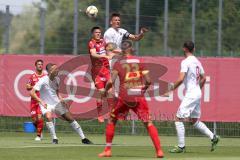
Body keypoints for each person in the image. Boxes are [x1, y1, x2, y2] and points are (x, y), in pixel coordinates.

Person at [98, 40, 164, 158]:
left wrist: (104, 91)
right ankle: (159, 151)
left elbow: (111, 81)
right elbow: (148, 80)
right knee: (148, 123)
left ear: (122, 50)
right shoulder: (140, 61)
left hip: (124, 96)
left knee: (112, 120)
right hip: (138, 96)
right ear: (131, 48)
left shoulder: (118, 63)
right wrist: (143, 89)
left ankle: (107, 150)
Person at [167, 41, 219, 153]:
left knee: (178, 118)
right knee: (194, 120)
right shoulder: (197, 61)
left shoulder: (185, 62)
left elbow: (181, 79)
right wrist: (197, 90)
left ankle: (181, 147)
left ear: (184, 49)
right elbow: (203, 78)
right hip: (197, 92)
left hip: (192, 93)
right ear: (193, 49)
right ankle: (213, 137)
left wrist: (171, 88)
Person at [30, 63, 92, 144]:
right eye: (55, 69)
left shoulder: (57, 79)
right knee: (48, 117)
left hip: (56, 103)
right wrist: (41, 101)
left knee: (70, 118)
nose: (57, 70)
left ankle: (84, 138)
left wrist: (61, 99)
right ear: (50, 71)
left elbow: (57, 92)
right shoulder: (42, 80)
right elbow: (32, 92)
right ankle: (54, 139)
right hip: (46, 104)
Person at [88, 26, 114, 123]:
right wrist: (104, 55)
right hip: (97, 72)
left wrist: (114, 53)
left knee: (110, 92)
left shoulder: (103, 42)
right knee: (101, 92)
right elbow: (93, 54)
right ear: (93, 34)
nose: (98, 34)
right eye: (96, 32)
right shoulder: (91, 43)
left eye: (99, 32)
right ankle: (100, 115)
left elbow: (110, 50)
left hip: (106, 70)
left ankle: (112, 114)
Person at [26, 59, 45, 141]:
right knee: (34, 120)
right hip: (34, 100)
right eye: (38, 64)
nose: (40, 65)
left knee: (40, 118)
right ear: (35, 66)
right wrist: (35, 87)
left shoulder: (45, 76)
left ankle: (38, 135)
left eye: (41, 64)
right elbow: (27, 87)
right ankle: (40, 131)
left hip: (41, 100)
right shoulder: (32, 76)